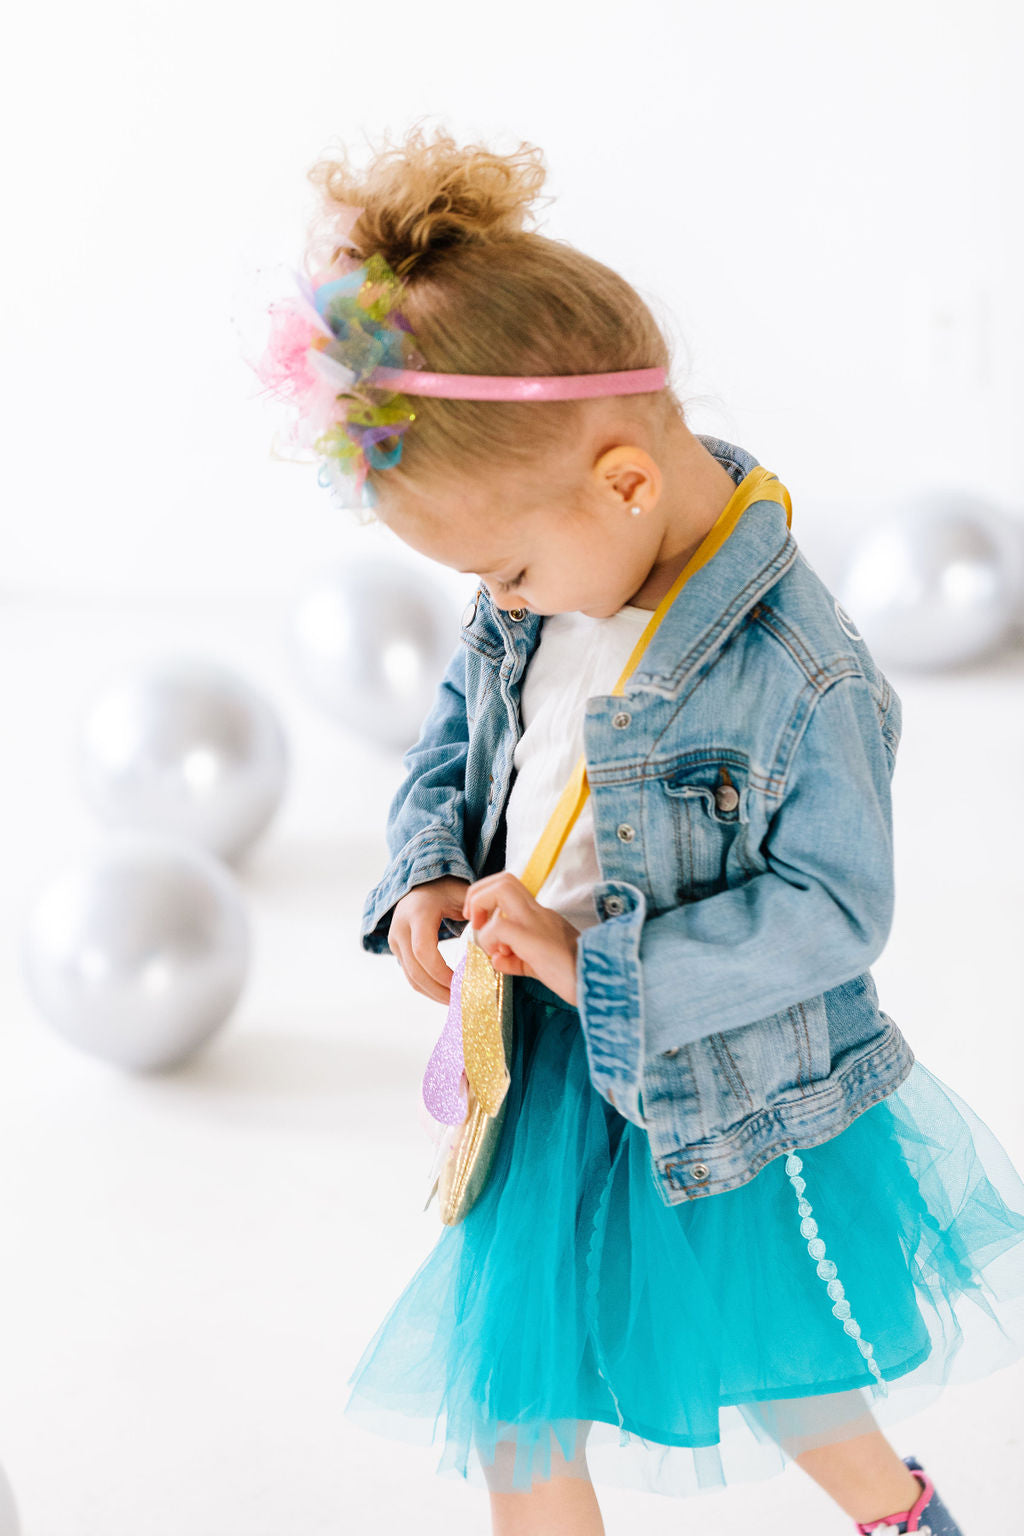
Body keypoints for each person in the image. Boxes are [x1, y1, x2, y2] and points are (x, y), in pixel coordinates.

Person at [253, 122, 1024, 1534]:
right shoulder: (540, 588)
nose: (510, 603)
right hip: (550, 1073)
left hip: (705, 1070)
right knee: (518, 1397)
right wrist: (429, 867)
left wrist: (600, 957)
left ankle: (899, 1515)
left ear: (623, 481)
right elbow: (459, 727)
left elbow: (837, 909)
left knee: (768, 1343)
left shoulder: (802, 671)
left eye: (515, 569)